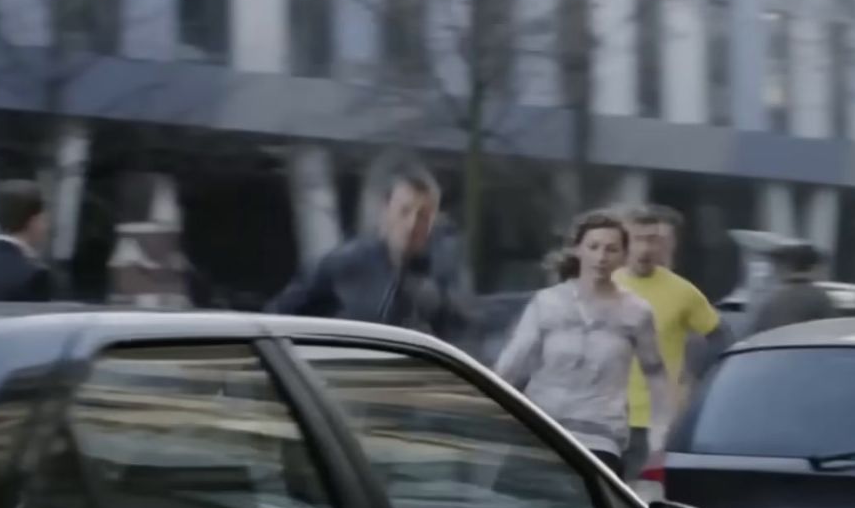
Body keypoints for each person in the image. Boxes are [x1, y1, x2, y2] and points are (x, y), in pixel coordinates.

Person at [495, 210, 670, 476]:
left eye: (611, 249)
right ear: (578, 250)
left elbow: (656, 376)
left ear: (623, 257)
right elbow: (511, 367)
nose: (601, 257)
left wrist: (659, 437)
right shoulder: (547, 303)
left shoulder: (636, 312)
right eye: (594, 247)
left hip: (600, 437)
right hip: (541, 429)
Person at [267, 152, 472, 342]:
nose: (411, 225)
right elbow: (275, 322)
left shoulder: (442, 278)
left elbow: (463, 342)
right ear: (385, 211)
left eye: (423, 217)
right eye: (404, 211)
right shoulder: (343, 266)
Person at [613, 205, 728, 480]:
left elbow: (721, 340)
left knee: (634, 498)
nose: (644, 248)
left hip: (652, 421)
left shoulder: (683, 292)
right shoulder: (604, 285)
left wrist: (696, 382)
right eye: (636, 239)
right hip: (601, 414)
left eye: (652, 240)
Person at [749, 242, 836, 336]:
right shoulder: (819, 298)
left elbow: (755, 333)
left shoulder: (773, 300)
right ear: (814, 267)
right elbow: (832, 333)